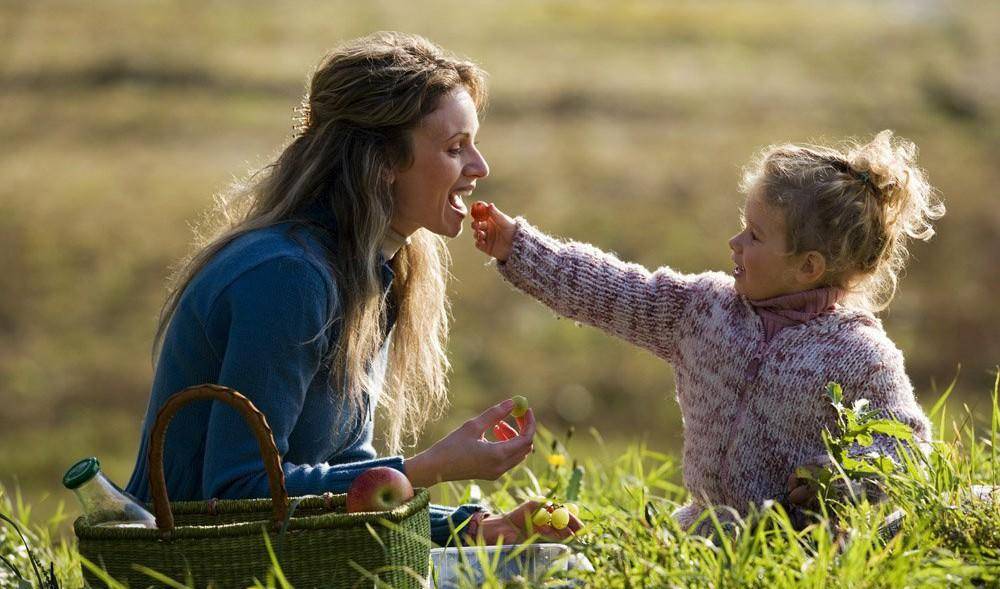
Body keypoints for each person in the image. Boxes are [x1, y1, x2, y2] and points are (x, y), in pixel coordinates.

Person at [124, 31, 579, 546]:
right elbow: (237, 494)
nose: (480, 167)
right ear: (383, 164)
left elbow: (339, 478)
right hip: (185, 563)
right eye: (455, 148)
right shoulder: (287, 280)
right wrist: (428, 467)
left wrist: (471, 529)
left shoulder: (373, 271)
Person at [471, 130, 943, 532]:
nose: (735, 243)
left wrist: (840, 477)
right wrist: (519, 247)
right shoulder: (705, 309)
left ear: (808, 266)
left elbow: (905, 445)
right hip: (703, 528)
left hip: (803, 546)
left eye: (755, 236)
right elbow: (612, 291)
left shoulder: (861, 354)